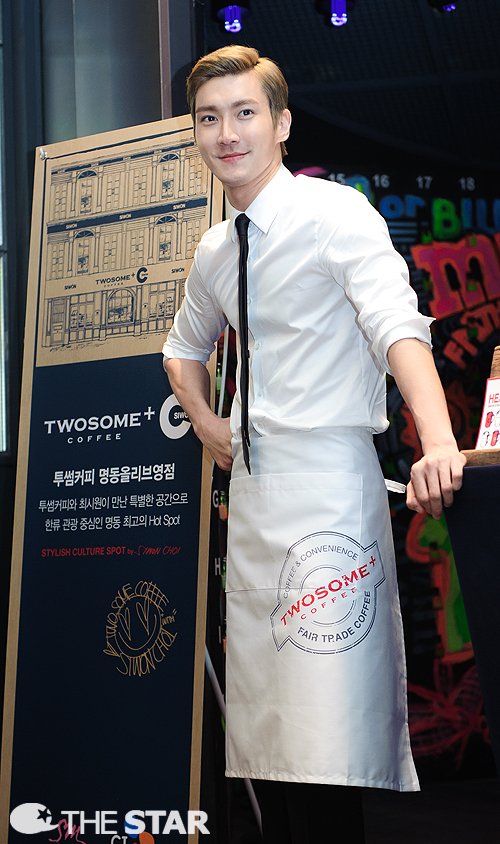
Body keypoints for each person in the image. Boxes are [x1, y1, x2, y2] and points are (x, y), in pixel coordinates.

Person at [163, 45, 465, 844]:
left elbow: (397, 326)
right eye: (209, 118)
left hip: (330, 495)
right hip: (255, 505)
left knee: (326, 748)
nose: (227, 133)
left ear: (282, 123)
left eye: (245, 113)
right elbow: (180, 349)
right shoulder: (217, 249)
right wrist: (207, 423)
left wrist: (439, 441)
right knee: (267, 745)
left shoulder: (335, 213)